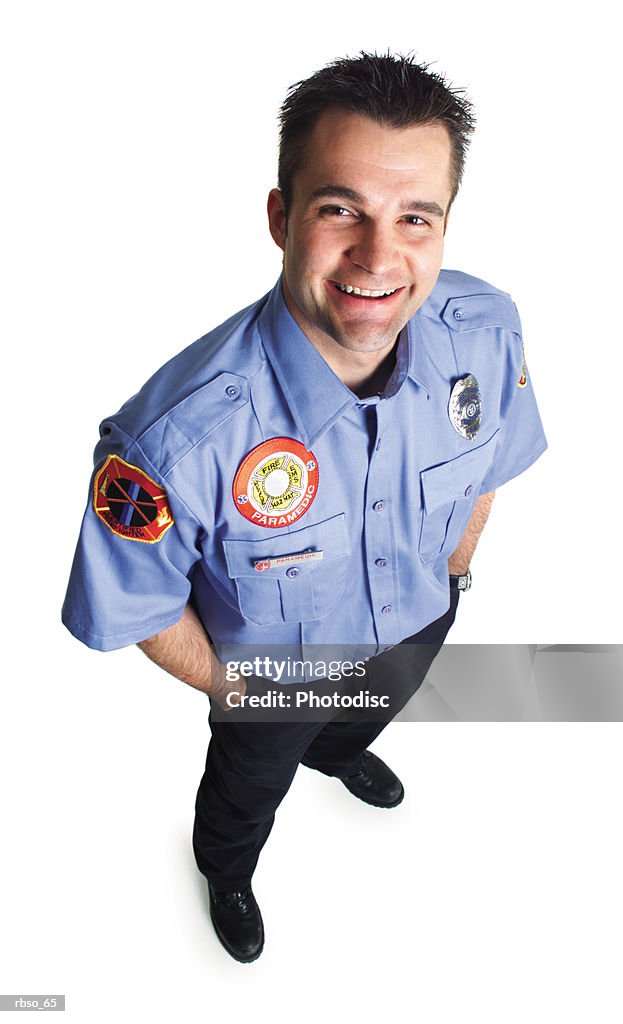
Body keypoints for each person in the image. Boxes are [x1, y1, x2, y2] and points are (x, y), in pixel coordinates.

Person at [62, 52, 547, 963]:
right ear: (281, 217)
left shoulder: (484, 326)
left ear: (445, 225)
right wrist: (239, 690)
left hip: (420, 614)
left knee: (367, 707)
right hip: (271, 680)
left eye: (414, 217)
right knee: (247, 791)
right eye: (339, 210)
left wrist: (452, 572)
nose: (377, 256)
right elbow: (135, 604)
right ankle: (226, 868)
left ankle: (336, 748)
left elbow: (495, 458)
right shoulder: (173, 439)